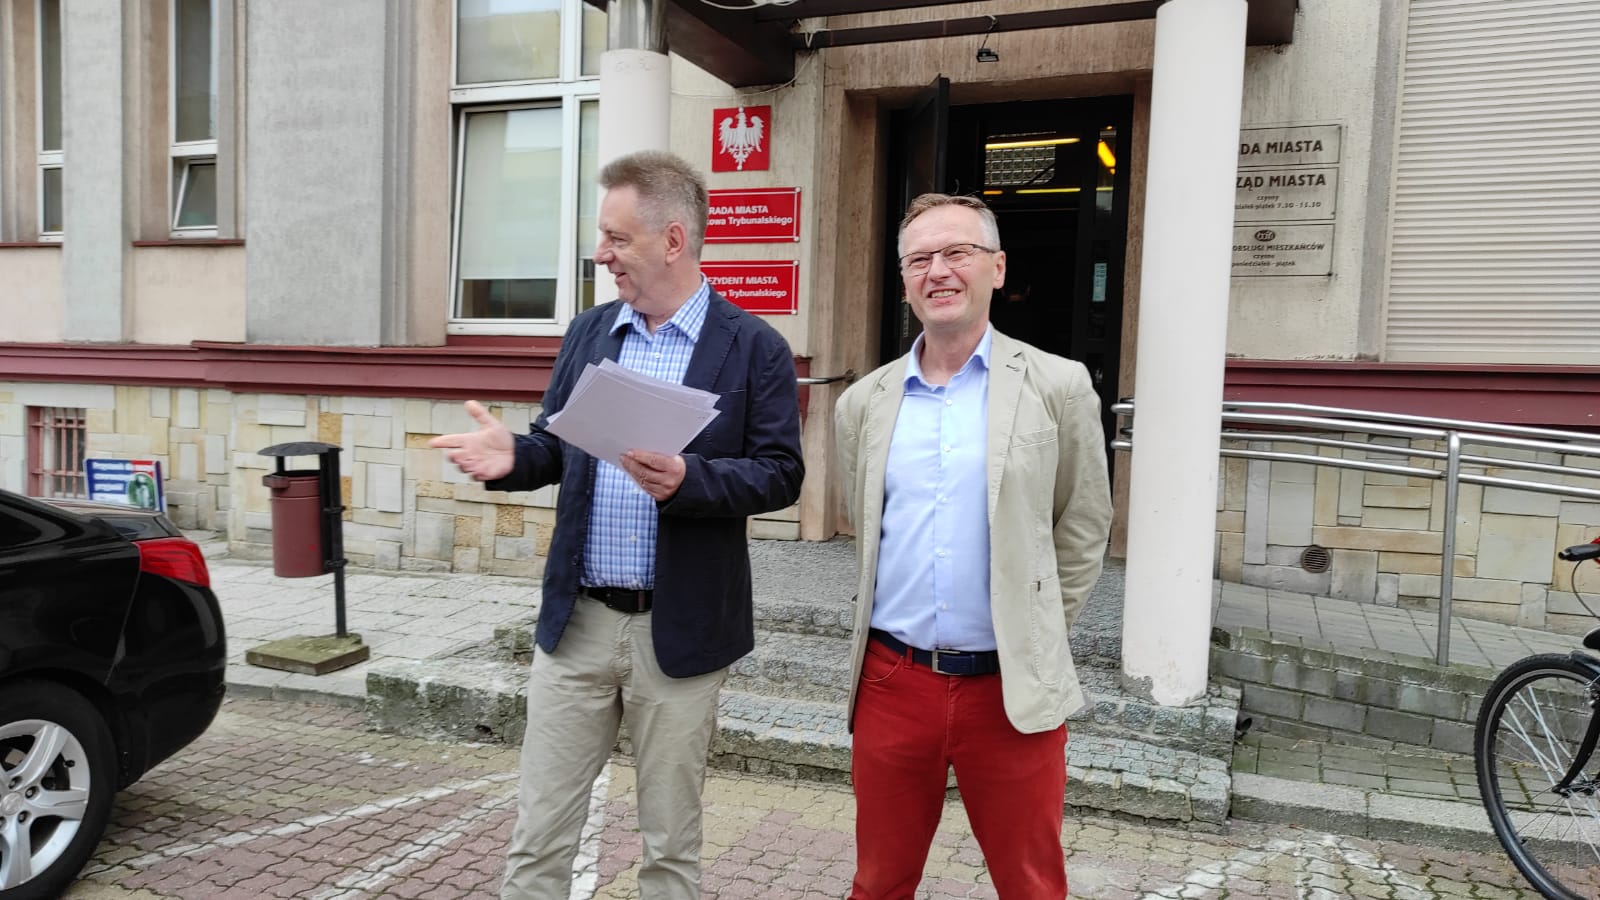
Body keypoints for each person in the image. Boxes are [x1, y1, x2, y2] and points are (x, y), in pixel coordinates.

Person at [430, 150, 805, 900]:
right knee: (539, 835)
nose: (600, 254)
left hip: (680, 630)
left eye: (616, 238)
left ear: (673, 240)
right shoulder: (591, 332)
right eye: (601, 236)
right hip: (579, 627)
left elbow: (780, 473)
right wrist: (515, 455)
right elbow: (556, 446)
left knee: (669, 846)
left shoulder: (753, 346)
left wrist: (691, 480)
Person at [833, 193, 1112, 899]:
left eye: (957, 252)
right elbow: (867, 525)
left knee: (1031, 885)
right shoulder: (863, 403)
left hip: (1008, 689)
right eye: (919, 259)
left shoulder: (1058, 386)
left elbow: (1083, 525)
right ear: (904, 280)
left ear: (997, 267)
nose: (939, 271)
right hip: (893, 681)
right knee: (879, 882)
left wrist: (1035, 629)